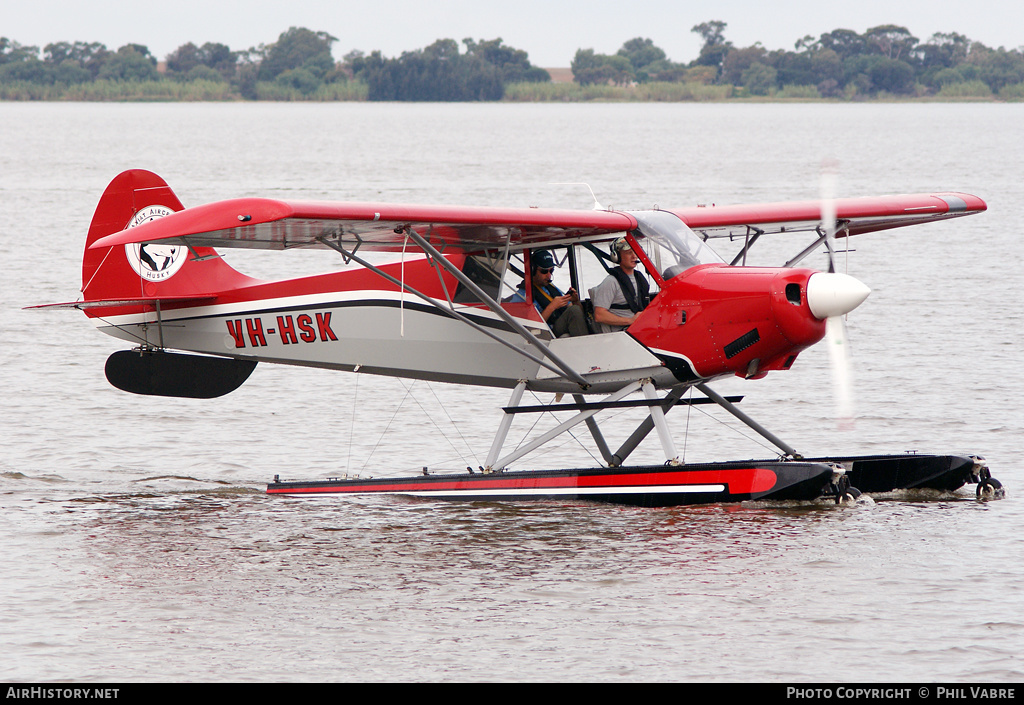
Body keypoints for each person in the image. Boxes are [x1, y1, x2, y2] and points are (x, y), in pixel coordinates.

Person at [509, 249, 589, 337]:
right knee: (574, 311)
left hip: (558, 325)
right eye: (544, 271)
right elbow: (529, 327)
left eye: (551, 271)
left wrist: (575, 301)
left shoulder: (551, 287)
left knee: (577, 309)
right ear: (532, 270)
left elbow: (576, 313)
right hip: (545, 333)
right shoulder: (522, 296)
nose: (549, 275)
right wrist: (552, 306)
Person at [592, 237, 651, 334]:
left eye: (635, 252)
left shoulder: (640, 279)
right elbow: (599, 315)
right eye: (629, 253)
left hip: (639, 329)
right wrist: (631, 321)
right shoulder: (611, 282)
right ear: (617, 256)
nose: (634, 256)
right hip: (623, 333)